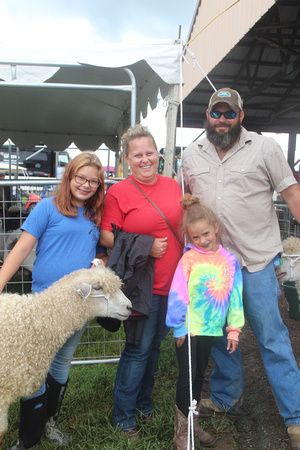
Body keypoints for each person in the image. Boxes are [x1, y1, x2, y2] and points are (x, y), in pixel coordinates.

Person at [178, 87, 300, 449]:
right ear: (208, 115)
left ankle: (295, 418)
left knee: (272, 339)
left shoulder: (265, 148)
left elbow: (292, 193)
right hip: (212, 266)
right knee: (217, 338)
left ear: (241, 117)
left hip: (255, 262)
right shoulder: (191, 154)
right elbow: (185, 203)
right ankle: (228, 399)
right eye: (217, 113)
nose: (222, 119)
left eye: (230, 113)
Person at [0, 152, 105, 450]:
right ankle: (28, 439)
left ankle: (49, 421)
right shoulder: (46, 209)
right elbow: (21, 250)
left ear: (99, 185)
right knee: (33, 367)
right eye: (80, 178)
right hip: (44, 305)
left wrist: (98, 261)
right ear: (69, 177)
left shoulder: (96, 215)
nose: (85, 185)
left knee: (61, 363)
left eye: (92, 181)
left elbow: (100, 250)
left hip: (78, 307)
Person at [100, 124, 183, 441]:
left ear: (159, 155)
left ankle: (144, 406)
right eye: (138, 155)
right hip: (140, 286)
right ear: (127, 159)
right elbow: (107, 235)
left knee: (153, 349)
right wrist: (145, 244)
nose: (145, 159)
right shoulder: (119, 193)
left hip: (172, 284)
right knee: (137, 350)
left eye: (150, 152)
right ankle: (123, 417)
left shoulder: (174, 187)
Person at [166, 193, 244, 449]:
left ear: (216, 229)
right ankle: (181, 436)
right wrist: (178, 325)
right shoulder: (189, 259)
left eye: (206, 235)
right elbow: (178, 293)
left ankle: (193, 423)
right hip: (189, 329)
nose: (202, 241)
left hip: (210, 329)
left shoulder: (229, 261)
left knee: (199, 376)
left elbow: (235, 298)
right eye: (195, 237)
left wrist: (233, 329)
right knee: (187, 378)